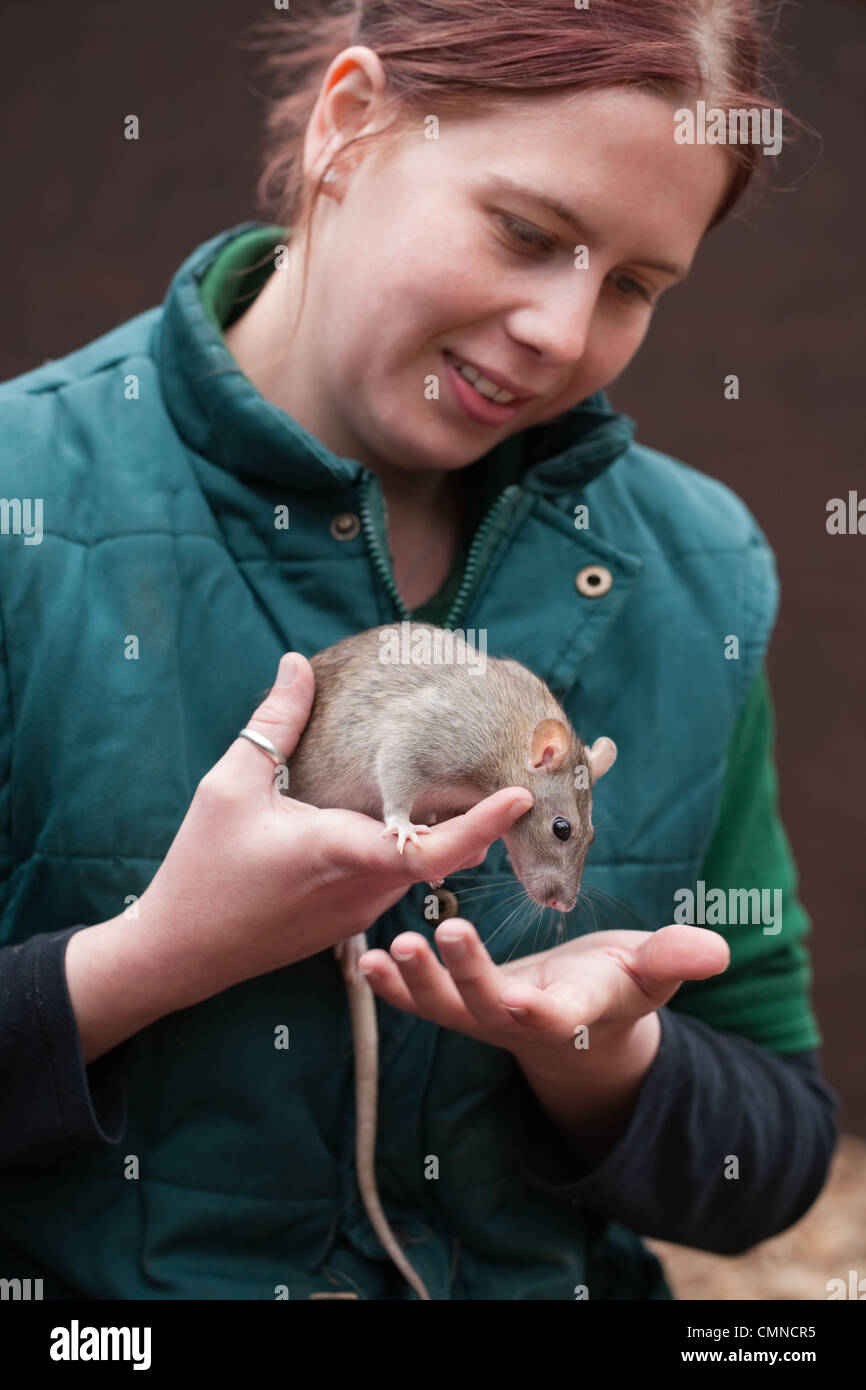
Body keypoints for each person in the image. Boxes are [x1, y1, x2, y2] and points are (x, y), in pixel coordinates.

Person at [0, 1, 839, 1300]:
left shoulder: (696, 571)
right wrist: (147, 958)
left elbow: (771, 1161)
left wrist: (602, 1059)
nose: (559, 333)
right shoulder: (24, 496)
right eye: (524, 231)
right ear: (349, 123)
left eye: (630, 284)